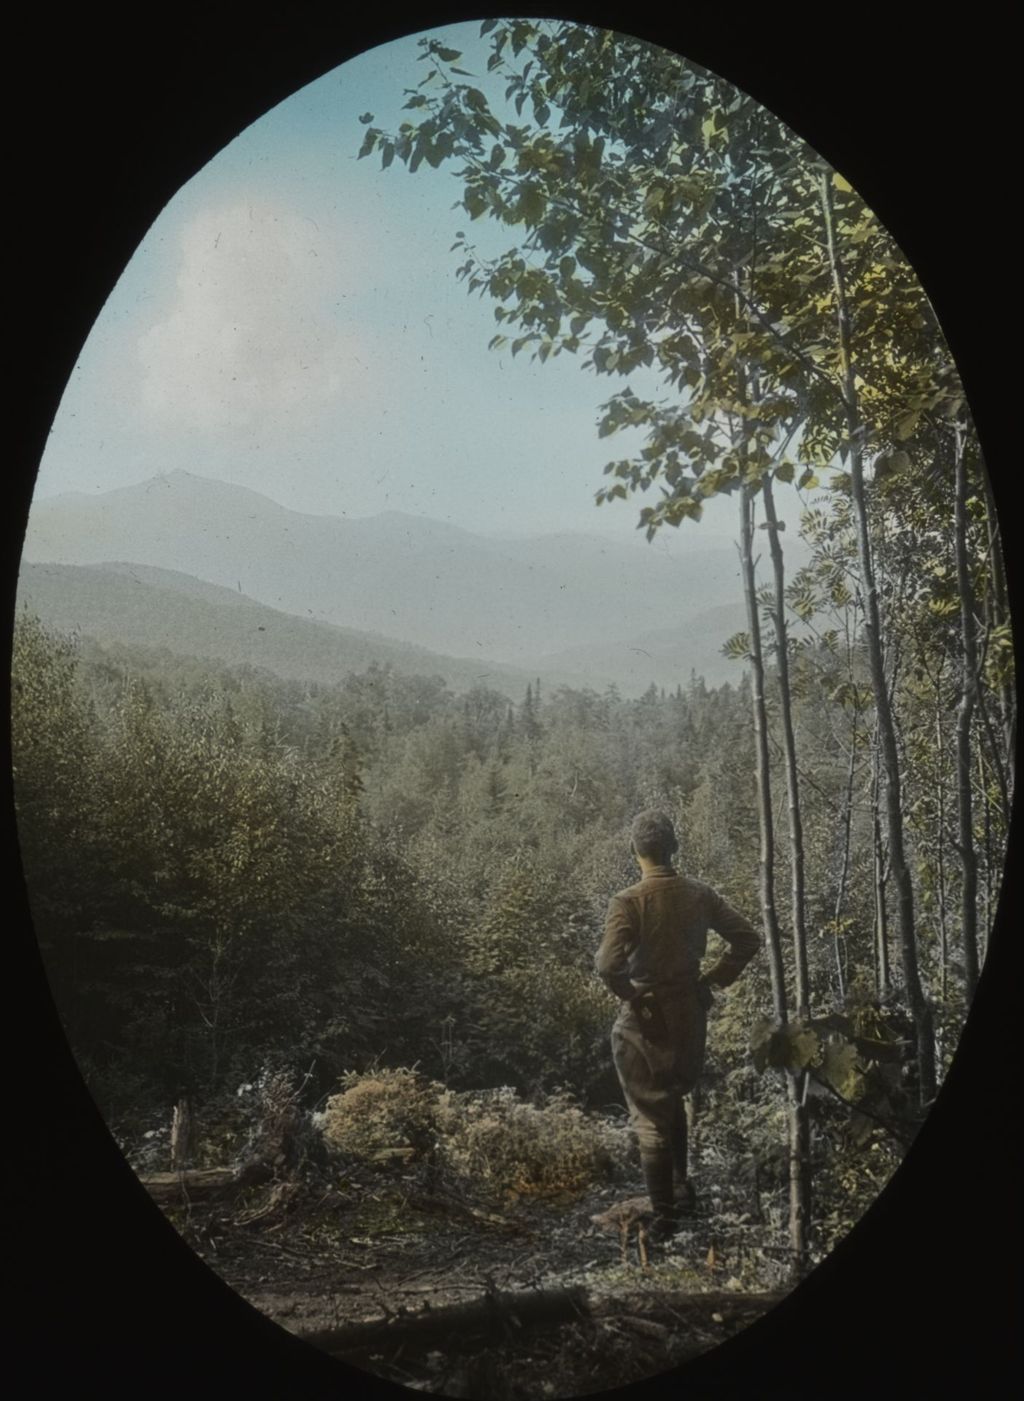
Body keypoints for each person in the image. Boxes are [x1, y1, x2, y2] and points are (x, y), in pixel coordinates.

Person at [596, 809, 760, 1242]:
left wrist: (635, 998)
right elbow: (748, 939)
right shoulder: (699, 894)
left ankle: (665, 1222)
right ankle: (681, 1191)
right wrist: (712, 980)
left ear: (635, 851)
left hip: (646, 1021)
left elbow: (607, 967)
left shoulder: (628, 901)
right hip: (689, 1014)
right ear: (674, 848)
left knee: (650, 1117)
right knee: (673, 1098)